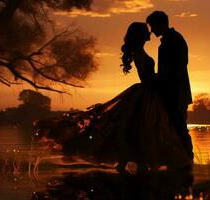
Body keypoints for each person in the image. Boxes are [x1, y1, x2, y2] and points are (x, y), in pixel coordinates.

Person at [35, 22, 191, 174]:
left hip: (149, 93)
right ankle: (146, 164)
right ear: (140, 35)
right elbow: (146, 77)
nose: (149, 33)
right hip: (146, 93)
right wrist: (161, 79)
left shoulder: (141, 50)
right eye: (146, 31)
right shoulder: (138, 51)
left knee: (141, 130)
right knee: (142, 129)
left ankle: (137, 164)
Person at [146, 11, 194, 161]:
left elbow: (179, 67)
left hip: (176, 93)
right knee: (175, 127)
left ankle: (188, 159)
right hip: (171, 93)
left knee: (179, 127)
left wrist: (159, 78)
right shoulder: (169, 40)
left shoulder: (175, 39)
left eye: (153, 26)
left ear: (161, 24)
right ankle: (181, 159)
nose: (152, 30)